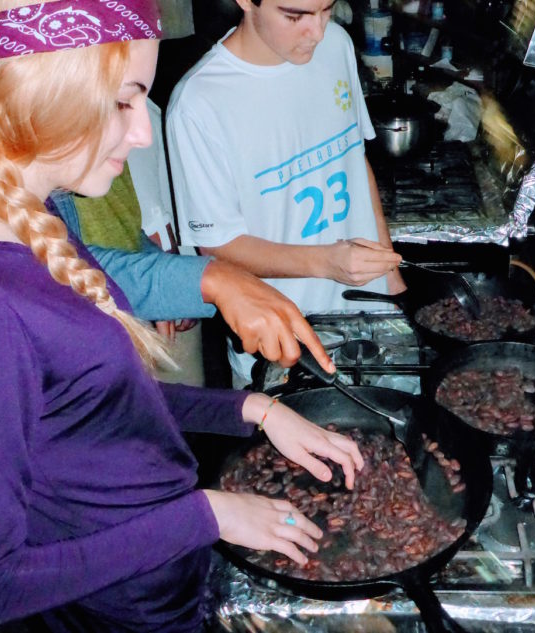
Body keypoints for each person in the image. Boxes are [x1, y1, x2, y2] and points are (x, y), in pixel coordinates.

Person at [0, 1, 364, 630]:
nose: (142, 133)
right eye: (123, 101)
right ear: (43, 91)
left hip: (162, 575)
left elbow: (96, 405)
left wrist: (253, 410)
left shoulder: (33, 215)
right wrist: (208, 515)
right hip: (115, 610)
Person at [166, 0, 406, 387]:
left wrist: (391, 276)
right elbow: (218, 247)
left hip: (373, 319)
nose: (317, 32)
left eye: (326, 10)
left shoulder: (337, 46)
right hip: (285, 342)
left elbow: (354, 159)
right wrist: (326, 262)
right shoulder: (199, 103)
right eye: (294, 16)